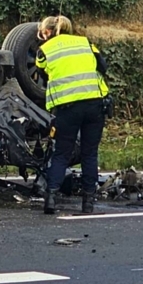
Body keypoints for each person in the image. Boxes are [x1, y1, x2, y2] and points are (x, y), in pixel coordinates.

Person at [34, 15, 110, 215]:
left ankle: (50, 199)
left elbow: (43, 75)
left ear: (47, 32)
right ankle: (88, 203)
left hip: (67, 108)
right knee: (89, 154)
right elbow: (103, 67)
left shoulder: (44, 51)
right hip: (94, 105)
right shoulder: (86, 43)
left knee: (61, 154)